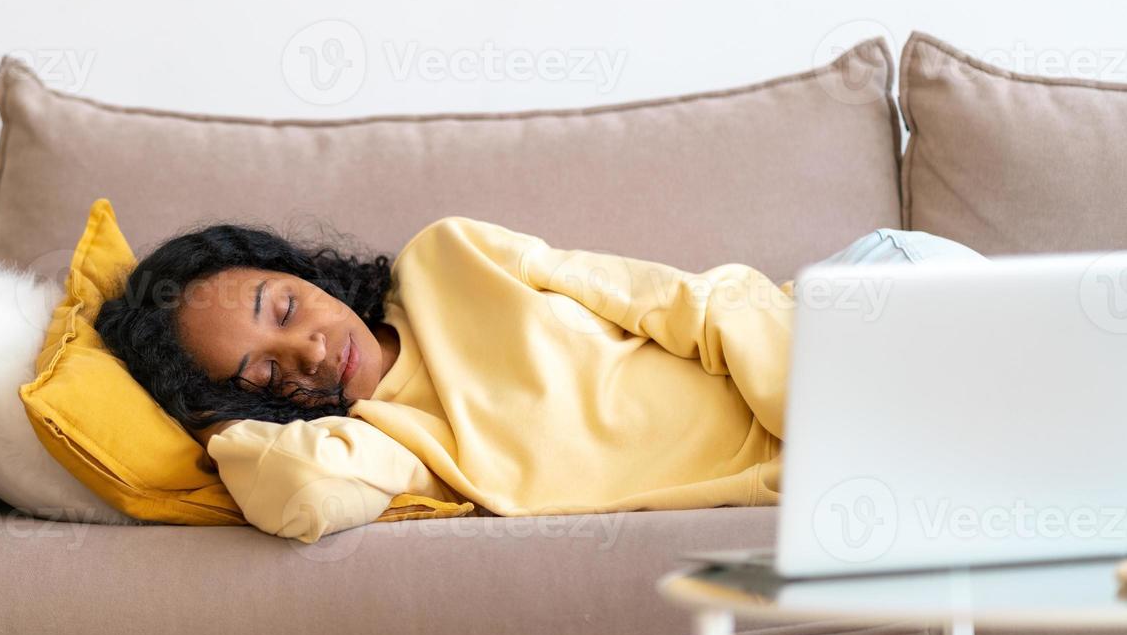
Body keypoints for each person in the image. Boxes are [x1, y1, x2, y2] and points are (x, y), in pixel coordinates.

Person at [95, 217, 987, 543]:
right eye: (265, 373)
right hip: (849, 445)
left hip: (850, 312)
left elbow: (679, 303)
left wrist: (831, 413)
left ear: (305, 274)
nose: (312, 354)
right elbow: (296, 496)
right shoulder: (379, 446)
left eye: (285, 310)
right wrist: (220, 423)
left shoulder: (449, 257)